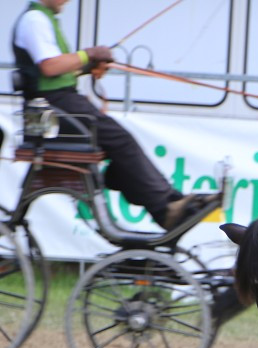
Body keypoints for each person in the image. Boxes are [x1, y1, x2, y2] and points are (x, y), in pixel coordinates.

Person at [12, 0, 212, 231]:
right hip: (53, 106)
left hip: (58, 102)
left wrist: (88, 66)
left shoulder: (42, 19)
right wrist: (89, 55)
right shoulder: (35, 20)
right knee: (120, 140)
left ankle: (167, 200)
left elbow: (55, 70)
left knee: (118, 141)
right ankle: (164, 207)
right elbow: (50, 66)